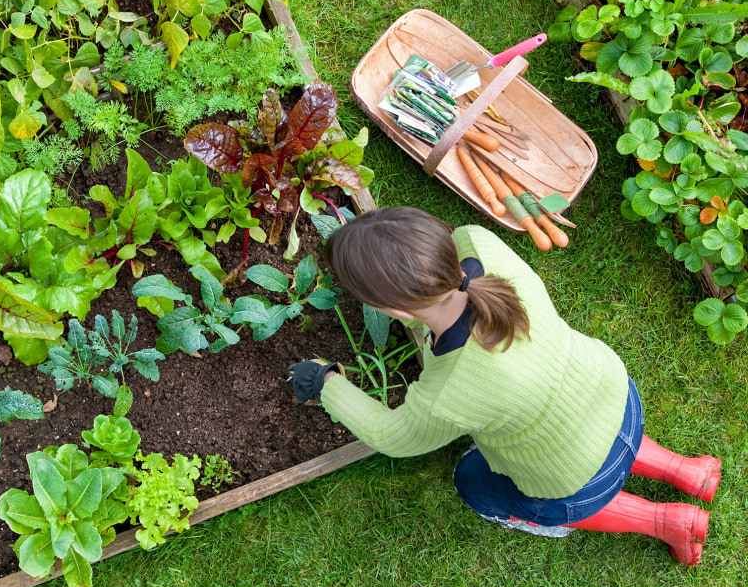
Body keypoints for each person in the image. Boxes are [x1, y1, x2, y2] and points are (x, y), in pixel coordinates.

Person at [288, 206, 721, 564]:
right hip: (616, 396)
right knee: (589, 432)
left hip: (574, 479)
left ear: (396, 311)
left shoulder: (448, 392)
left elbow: (392, 436)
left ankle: (666, 521)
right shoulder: (478, 243)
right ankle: (687, 471)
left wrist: (325, 382)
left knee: (473, 481)